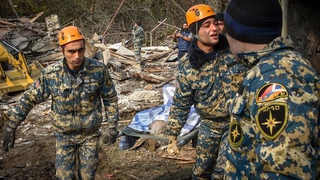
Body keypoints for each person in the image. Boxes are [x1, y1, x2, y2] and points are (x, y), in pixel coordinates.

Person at [2, 26, 120, 180]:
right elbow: (29, 99)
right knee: (64, 178)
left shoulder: (98, 70)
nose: (77, 56)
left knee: (87, 177)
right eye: (71, 51)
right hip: (64, 137)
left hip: (89, 136)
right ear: (61, 50)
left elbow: (110, 98)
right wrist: (12, 125)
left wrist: (112, 127)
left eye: (81, 50)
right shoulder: (51, 74)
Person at [222, 0, 320, 179]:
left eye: (226, 32)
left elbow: (287, 168)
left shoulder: (275, 76)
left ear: (238, 33)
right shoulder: (267, 67)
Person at [165, 4, 248, 180]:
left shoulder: (235, 54)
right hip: (208, 127)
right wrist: (173, 135)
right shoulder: (188, 66)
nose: (214, 29)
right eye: (206, 25)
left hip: (235, 125)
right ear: (195, 31)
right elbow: (181, 102)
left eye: (215, 24)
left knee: (222, 173)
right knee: (201, 172)